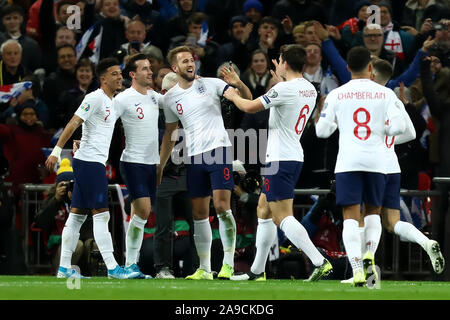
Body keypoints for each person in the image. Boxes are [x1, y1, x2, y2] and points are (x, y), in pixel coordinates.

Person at [224, 44, 332, 282]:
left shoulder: (284, 89)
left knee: (281, 217)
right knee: (263, 210)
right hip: (292, 156)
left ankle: (319, 261)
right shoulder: (309, 89)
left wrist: (232, 95)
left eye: (280, 60)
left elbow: (251, 107)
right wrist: (281, 80)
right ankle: (257, 271)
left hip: (280, 159)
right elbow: (285, 95)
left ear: (284, 63)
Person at [315, 46, 407, 286]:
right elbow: (398, 128)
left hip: (348, 162)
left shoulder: (337, 94)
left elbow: (322, 132)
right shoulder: (386, 94)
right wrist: (383, 129)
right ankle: (369, 256)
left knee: (350, 217)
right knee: (374, 212)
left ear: (347, 67)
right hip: (377, 162)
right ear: (370, 67)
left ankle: (356, 269)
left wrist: (331, 118)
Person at [158, 45, 252, 280]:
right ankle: (204, 268)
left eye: (192, 60)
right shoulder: (170, 98)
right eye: (185, 61)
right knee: (199, 214)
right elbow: (171, 133)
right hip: (194, 157)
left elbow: (247, 101)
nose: (190, 64)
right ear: (175, 68)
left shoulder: (212, 84)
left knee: (222, 207)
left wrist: (238, 84)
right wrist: (160, 165)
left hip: (218, 150)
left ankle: (228, 264)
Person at [45, 57, 139, 279]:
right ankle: (113, 268)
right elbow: (74, 122)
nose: (120, 77)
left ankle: (64, 268)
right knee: (101, 215)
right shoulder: (94, 98)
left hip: (92, 161)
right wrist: (57, 151)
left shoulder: (112, 102)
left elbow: (90, 129)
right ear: (103, 78)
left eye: (120, 73)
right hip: (89, 163)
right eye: (115, 74)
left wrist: (81, 140)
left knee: (76, 215)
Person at [114, 53, 163, 279]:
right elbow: (106, 121)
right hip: (132, 161)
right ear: (132, 74)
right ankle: (130, 263)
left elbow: (174, 101)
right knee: (143, 211)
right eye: (144, 68)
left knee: (140, 214)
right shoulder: (123, 98)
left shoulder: (154, 97)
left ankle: (130, 265)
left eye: (150, 68)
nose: (150, 72)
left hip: (151, 164)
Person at [152, 71, 195, 279]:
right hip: (164, 177)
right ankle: (162, 267)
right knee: (163, 225)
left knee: (198, 222)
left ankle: (197, 267)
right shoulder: (154, 115)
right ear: (164, 93)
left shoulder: (190, 112)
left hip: (187, 173)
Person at [34, 158, 98, 276]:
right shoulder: (51, 199)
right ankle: (64, 273)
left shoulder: (82, 200)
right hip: (58, 248)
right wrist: (56, 200)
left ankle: (93, 275)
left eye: (70, 184)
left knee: (92, 244)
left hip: (83, 244)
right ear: (57, 185)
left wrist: (77, 200)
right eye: (63, 184)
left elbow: (91, 228)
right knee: (77, 244)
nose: (67, 187)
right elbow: (40, 222)